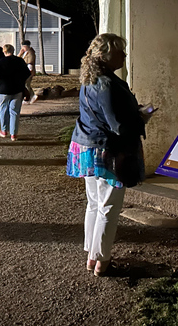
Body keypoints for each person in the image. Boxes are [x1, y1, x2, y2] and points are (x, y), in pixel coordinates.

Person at [66, 34, 155, 277]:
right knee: (108, 208)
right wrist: (142, 117)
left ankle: (92, 255)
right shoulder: (106, 83)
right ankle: (102, 262)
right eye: (120, 51)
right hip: (107, 151)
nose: (125, 56)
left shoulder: (90, 79)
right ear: (105, 56)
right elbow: (118, 126)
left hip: (86, 145)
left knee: (95, 204)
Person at [0, 44, 30, 141]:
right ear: (13, 50)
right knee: (15, 112)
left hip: (3, 90)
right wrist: (23, 84)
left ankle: (4, 130)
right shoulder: (19, 61)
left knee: (3, 110)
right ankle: (14, 134)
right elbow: (28, 74)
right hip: (17, 89)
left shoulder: (1, 61)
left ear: (4, 51)